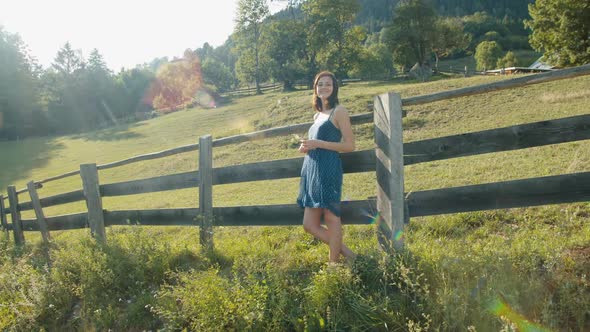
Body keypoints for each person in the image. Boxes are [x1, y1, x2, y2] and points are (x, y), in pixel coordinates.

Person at [297, 71, 356, 263]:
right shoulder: (317, 115)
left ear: (334, 88)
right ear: (315, 88)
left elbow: (349, 145)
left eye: (328, 84)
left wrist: (319, 143)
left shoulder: (340, 111)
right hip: (312, 170)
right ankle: (349, 255)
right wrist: (306, 147)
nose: (324, 87)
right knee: (309, 224)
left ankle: (333, 264)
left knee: (331, 217)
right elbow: (315, 142)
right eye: (320, 84)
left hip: (329, 168)